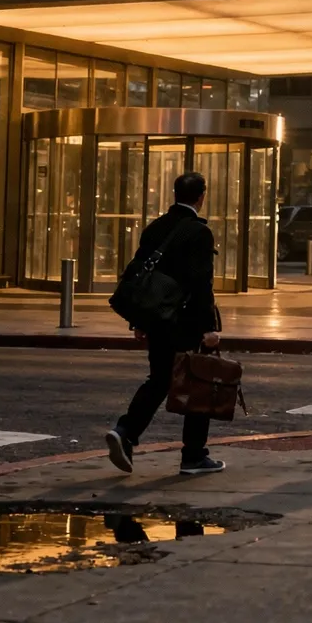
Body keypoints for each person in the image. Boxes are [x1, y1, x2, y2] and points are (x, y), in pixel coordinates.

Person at [105, 172, 225, 477]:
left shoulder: (156, 227)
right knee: (197, 383)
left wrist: (138, 320)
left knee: (158, 379)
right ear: (201, 196)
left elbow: (138, 275)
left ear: (175, 194)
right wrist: (209, 328)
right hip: (184, 322)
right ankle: (193, 456)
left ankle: (126, 430)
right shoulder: (199, 232)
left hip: (157, 320)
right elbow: (201, 283)